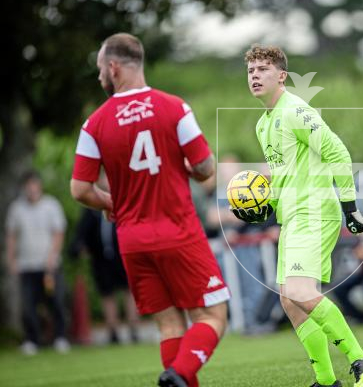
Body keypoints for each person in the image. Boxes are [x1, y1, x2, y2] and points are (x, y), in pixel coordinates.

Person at [70, 33, 229, 387]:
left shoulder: (94, 123)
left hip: (132, 240)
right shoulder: (173, 107)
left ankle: (177, 376)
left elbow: (80, 189)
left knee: (169, 325)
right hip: (179, 232)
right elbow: (204, 167)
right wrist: (185, 170)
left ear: (113, 67)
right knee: (213, 315)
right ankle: (178, 374)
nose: (99, 77)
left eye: (99, 70)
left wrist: (112, 202)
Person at [235, 44, 363, 387]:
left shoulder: (296, 111)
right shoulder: (263, 123)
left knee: (300, 292)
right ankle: (326, 381)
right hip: (293, 217)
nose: (255, 76)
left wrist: (351, 209)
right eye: (251, 71)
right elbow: (289, 175)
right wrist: (263, 205)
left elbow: (338, 153)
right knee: (290, 300)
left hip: (315, 213)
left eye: (262, 70)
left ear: (281, 76)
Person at [5, 171, 70, 355]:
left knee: (55, 301)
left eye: (34, 184)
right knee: (28, 305)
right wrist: (11, 260)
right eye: (28, 185)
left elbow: (58, 233)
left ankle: (60, 337)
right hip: (27, 265)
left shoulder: (51, 205)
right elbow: (12, 236)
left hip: (49, 266)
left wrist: (52, 257)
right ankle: (32, 339)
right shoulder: (16, 208)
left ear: (39, 185)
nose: (32, 189)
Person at [69, 206, 139, 343]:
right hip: (100, 260)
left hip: (124, 256)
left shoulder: (122, 204)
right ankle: (113, 332)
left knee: (129, 292)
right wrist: (78, 248)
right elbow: (82, 232)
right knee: (107, 294)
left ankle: (134, 330)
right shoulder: (92, 210)